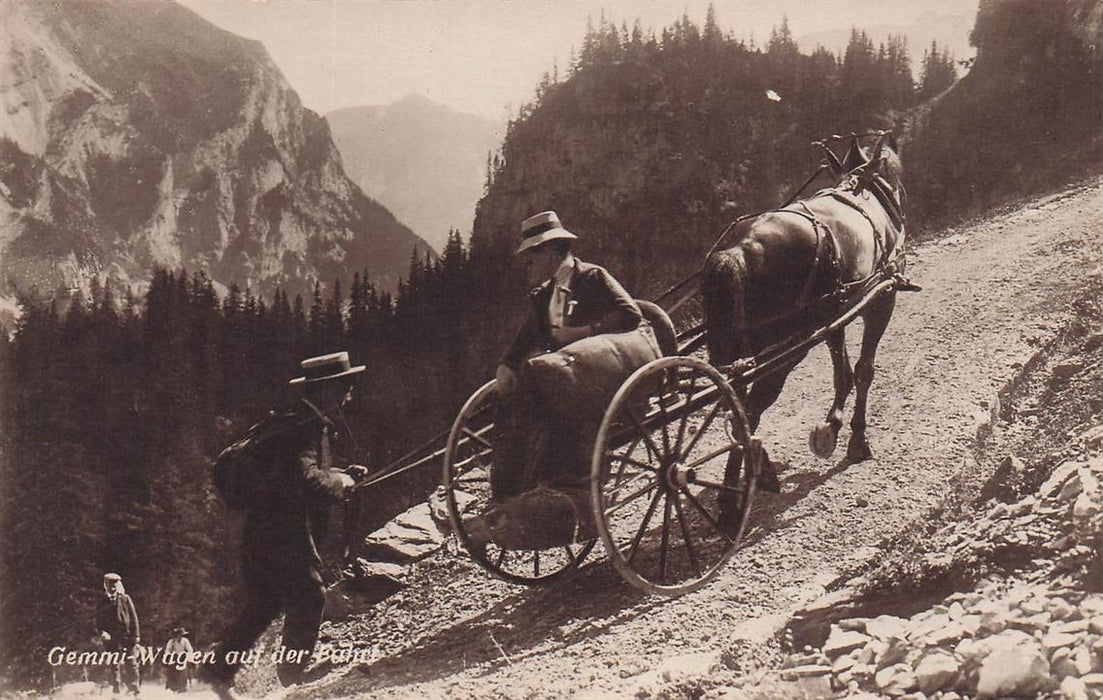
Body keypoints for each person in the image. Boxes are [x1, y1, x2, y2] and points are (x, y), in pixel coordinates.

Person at [204, 351, 368, 698]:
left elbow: (298, 475)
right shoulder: (305, 427)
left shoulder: (296, 421)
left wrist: (340, 474)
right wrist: (341, 483)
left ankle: (218, 670)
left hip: (262, 529)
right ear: (325, 389)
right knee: (310, 595)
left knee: (265, 602)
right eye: (345, 384)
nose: (349, 392)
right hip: (286, 531)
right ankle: (293, 674)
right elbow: (305, 481)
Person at [495, 210, 643, 394]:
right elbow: (528, 333)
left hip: (601, 376)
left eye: (531, 259)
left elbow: (631, 313)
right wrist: (507, 363)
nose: (527, 265)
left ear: (550, 252)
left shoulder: (592, 277)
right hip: (565, 379)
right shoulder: (544, 294)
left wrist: (584, 331)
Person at [95, 573, 141, 696]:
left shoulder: (125, 599)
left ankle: (134, 689)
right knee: (114, 663)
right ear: (106, 586)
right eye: (110, 585)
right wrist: (102, 632)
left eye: (115, 585)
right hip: (111, 638)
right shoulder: (102, 602)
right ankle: (116, 689)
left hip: (127, 636)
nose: (113, 588)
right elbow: (99, 620)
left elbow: (134, 617)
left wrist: (136, 635)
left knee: (131, 663)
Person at [163, 627, 192, 692]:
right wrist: (169, 656)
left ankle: (182, 687)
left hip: (182, 657)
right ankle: (171, 687)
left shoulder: (185, 641)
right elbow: (167, 650)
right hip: (174, 657)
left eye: (180, 635)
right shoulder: (171, 641)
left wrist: (188, 656)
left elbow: (190, 650)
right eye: (176, 635)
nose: (178, 636)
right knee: (170, 670)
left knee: (183, 670)